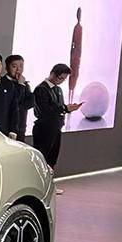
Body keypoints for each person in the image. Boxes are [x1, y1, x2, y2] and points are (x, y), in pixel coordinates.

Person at [33, 63, 83, 192]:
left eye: (64, 79)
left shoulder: (58, 89)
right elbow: (45, 110)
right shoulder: (41, 89)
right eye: (60, 78)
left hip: (56, 128)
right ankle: (39, 187)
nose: (61, 81)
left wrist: (68, 109)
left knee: (52, 159)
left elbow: (59, 108)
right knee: (42, 158)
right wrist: (65, 108)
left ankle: (49, 186)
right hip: (44, 129)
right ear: (53, 74)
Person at [5, 54, 35, 141]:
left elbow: (31, 102)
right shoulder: (3, 83)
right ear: (6, 68)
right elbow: (13, 102)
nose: (18, 70)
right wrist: (20, 85)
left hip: (21, 125)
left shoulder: (24, 83)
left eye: (21, 66)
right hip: (7, 126)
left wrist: (21, 106)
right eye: (14, 66)